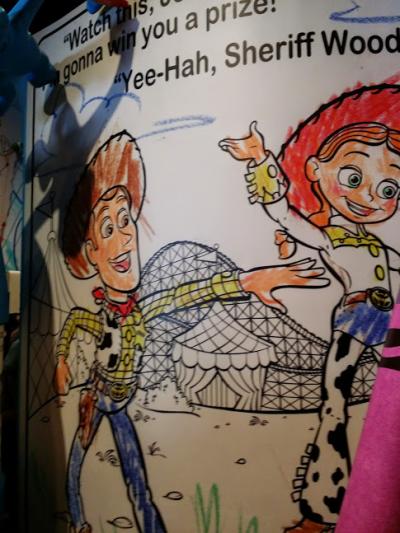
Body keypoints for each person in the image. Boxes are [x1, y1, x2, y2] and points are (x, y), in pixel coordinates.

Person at [54, 130, 328, 533]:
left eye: (126, 221)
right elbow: (78, 320)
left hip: (120, 399)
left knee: (136, 477)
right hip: (97, 395)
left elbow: (190, 293)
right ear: (92, 252)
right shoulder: (98, 315)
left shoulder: (143, 311)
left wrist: (247, 281)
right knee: (77, 461)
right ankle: (77, 521)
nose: (124, 237)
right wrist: (62, 358)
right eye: (107, 229)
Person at [219, 84, 400, 532]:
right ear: (317, 170)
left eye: (389, 187)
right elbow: (280, 211)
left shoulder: (380, 247)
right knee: (334, 409)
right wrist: (261, 161)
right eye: (353, 178)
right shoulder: (328, 237)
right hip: (356, 320)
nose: (370, 198)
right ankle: (321, 510)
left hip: (387, 324)